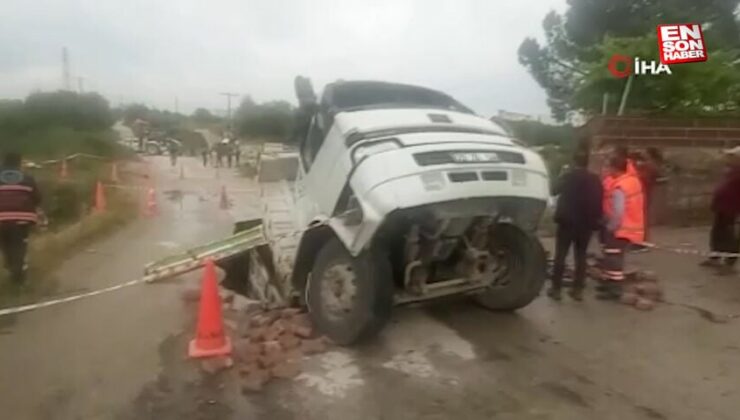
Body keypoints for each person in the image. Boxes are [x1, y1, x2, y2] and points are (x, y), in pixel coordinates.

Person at [548, 150, 603, 301]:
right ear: (587, 163)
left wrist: (561, 174)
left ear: (573, 162)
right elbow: (599, 200)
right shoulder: (595, 179)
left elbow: (553, 190)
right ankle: (577, 290)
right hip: (586, 223)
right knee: (581, 256)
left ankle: (556, 289)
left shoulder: (568, 176)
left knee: (561, 255)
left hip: (567, 222)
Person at [598, 154, 645, 300]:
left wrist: (611, 226)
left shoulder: (620, 187)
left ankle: (614, 289)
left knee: (614, 259)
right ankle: (609, 282)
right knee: (614, 256)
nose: (607, 170)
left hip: (620, 229)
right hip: (631, 227)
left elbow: (618, 212)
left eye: (608, 167)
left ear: (615, 168)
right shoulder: (633, 181)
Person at [0, 152, 44, 284]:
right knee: (19, 245)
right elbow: (38, 198)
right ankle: (18, 271)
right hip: (22, 219)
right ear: (19, 163)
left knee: (5, 244)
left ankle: (10, 265)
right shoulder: (28, 179)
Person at [699, 146, 740, 276]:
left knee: (729, 235)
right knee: (717, 232)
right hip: (721, 206)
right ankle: (715, 257)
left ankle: (729, 263)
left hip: (732, 208)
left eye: (732, 157)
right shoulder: (731, 170)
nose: (728, 158)